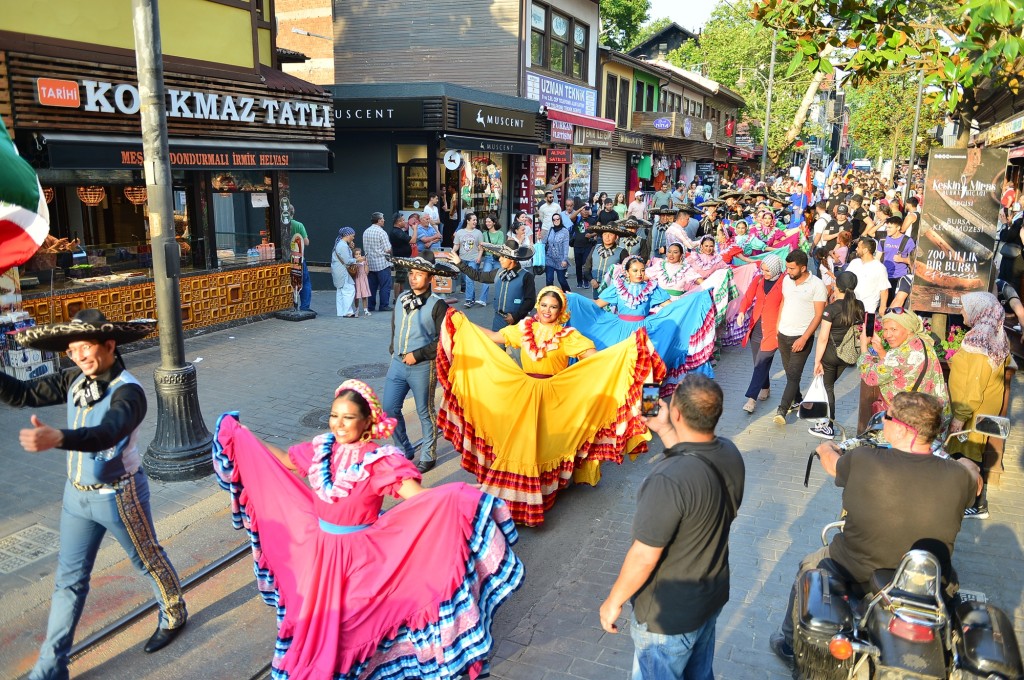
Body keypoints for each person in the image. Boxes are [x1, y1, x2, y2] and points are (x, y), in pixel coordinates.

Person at [212, 380, 524, 680]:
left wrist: (459, 497)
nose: (338, 424)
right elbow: (285, 460)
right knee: (318, 619)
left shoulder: (379, 461)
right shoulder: (322, 450)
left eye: (348, 418)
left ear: (366, 422)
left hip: (359, 558)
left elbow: (419, 498)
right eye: (334, 415)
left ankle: (356, 668)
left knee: (352, 624)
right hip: (319, 552)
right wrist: (246, 437)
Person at [2, 310, 186, 679]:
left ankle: (173, 612)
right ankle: (49, 669)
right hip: (76, 497)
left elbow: (108, 432)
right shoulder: (75, 378)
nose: (79, 356)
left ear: (109, 345)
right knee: (68, 582)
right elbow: (23, 394)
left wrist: (59, 437)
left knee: (146, 560)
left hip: (120, 495)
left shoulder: (129, 392)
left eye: (85, 347)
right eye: (72, 350)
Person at [769, 392, 980, 672]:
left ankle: (788, 644)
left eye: (887, 417)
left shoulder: (865, 459)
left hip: (855, 572)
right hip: (925, 583)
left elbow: (832, 464)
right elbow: (975, 481)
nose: (884, 420)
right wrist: (965, 463)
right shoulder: (958, 476)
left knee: (809, 565)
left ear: (902, 429)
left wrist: (825, 447)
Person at [437, 287, 664, 525]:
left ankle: (537, 495)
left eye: (553, 307)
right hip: (523, 393)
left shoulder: (569, 336)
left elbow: (596, 359)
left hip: (555, 397)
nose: (547, 310)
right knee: (519, 446)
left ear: (561, 310)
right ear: (537, 305)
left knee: (544, 445)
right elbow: (494, 337)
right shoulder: (525, 328)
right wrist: (462, 323)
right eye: (544, 305)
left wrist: (626, 354)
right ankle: (512, 501)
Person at [600, 375, 745, 680]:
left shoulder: (668, 480)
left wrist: (613, 601)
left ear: (677, 412)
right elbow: (693, 461)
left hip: (668, 620)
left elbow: (644, 556)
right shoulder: (729, 453)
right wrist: (665, 429)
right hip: (709, 597)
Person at [382, 253, 458, 473]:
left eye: (419, 274)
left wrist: (418, 355)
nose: (413, 277)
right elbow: (395, 326)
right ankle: (404, 448)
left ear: (430, 278)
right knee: (389, 408)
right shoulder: (401, 298)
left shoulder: (438, 305)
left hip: (423, 366)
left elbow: (443, 341)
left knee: (425, 411)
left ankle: (428, 454)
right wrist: (393, 349)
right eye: (412, 273)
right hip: (397, 363)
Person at [947, 292, 1012, 519]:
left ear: (978, 310)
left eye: (965, 308)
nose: (962, 312)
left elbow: (975, 385)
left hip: (972, 410)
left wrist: (960, 416)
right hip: (980, 409)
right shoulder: (994, 332)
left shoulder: (979, 341)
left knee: (969, 456)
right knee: (971, 454)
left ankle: (976, 505)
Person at [858, 308, 949, 416]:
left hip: (908, 418)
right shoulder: (922, 342)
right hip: (928, 414)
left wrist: (863, 347)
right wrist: (880, 350)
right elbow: (897, 368)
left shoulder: (902, 354)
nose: (887, 335)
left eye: (893, 329)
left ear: (908, 329)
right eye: (885, 329)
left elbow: (870, 377)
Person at [808, 271, 865, 439]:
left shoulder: (831, 309)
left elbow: (823, 338)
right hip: (847, 355)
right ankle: (823, 421)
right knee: (829, 386)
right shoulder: (859, 306)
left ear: (837, 286)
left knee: (827, 388)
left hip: (830, 355)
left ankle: (828, 426)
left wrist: (817, 361)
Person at [773, 250, 827, 425]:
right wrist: (777, 326)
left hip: (801, 337)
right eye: (787, 268)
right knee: (790, 373)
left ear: (803, 268)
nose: (788, 271)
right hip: (783, 334)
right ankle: (796, 399)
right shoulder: (786, 281)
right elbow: (784, 302)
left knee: (794, 375)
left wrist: (804, 338)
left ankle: (782, 410)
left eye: (792, 268)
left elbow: (818, 315)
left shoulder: (817, 285)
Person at [441, 238, 537, 331]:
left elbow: (530, 301)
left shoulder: (526, 276)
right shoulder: (498, 272)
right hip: (499, 320)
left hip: (518, 322)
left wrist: (516, 316)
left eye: (503, 257)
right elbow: (477, 276)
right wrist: (459, 263)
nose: (500, 259)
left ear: (511, 259)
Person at [737, 255, 786, 413]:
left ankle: (751, 399)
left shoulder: (785, 282)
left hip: (773, 329)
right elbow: (748, 297)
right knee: (758, 362)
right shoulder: (758, 279)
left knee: (761, 362)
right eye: (762, 270)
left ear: (776, 269)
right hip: (756, 327)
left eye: (767, 271)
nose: (764, 273)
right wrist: (742, 312)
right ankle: (765, 386)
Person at [596, 255, 673, 320]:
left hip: (642, 329)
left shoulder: (651, 288)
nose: (639, 274)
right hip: (622, 328)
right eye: (635, 271)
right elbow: (597, 304)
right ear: (627, 272)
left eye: (642, 270)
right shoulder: (618, 287)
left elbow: (671, 307)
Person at [843, 237, 891, 314]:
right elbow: (845, 279)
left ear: (865, 250)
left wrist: (883, 306)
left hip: (868, 308)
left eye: (858, 247)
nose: (856, 249)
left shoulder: (879, 267)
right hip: (851, 306)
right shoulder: (854, 263)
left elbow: (884, 289)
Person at [585, 222, 632, 296]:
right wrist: (591, 280)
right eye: (605, 234)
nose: (607, 237)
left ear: (616, 237)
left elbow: (627, 271)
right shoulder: (595, 248)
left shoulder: (622, 252)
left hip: (613, 289)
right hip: (596, 287)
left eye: (611, 235)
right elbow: (587, 268)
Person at [880, 214, 916, 303]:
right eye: (887, 227)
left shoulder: (908, 241)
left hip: (900, 277)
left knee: (895, 304)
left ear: (898, 228)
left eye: (890, 227)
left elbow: (914, 261)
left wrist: (902, 260)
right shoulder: (883, 239)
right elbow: (877, 258)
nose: (887, 229)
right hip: (885, 276)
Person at [362, 211, 393, 313]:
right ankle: (384, 305)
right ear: (379, 220)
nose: (384, 220)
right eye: (383, 219)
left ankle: (370, 306)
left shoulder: (366, 231)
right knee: (385, 285)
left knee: (371, 286)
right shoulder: (381, 232)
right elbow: (388, 249)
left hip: (370, 263)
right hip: (382, 262)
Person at [453, 212, 484, 308]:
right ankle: (472, 299)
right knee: (466, 280)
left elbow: (481, 247)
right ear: (468, 221)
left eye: (476, 220)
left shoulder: (478, 233)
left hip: (473, 260)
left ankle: (468, 300)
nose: (475, 221)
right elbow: (456, 245)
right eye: (473, 220)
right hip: (462, 260)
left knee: (469, 279)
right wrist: (452, 253)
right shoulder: (460, 232)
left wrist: (479, 257)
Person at [289, 204, 314, 313]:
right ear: (293, 212)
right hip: (298, 258)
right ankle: (305, 307)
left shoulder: (280, 224)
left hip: (284, 259)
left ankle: (290, 306)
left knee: (289, 282)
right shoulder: (298, 225)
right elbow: (306, 242)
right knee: (305, 282)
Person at [479, 213, 506, 305]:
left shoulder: (500, 233)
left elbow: (499, 247)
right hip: (488, 258)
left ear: (494, 222)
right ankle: (483, 300)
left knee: (499, 279)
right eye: (486, 222)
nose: (487, 223)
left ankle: (500, 299)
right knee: (485, 278)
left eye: (489, 222)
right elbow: (482, 246)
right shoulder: (484, 234)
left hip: (497, 258)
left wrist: (487, 245)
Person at [331, 227, 358, 318]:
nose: (353, 238)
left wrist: (350, 247)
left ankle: (341, 312)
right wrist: (357, 260)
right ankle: (347, 312)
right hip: (343, 271)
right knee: (349, 290)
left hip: (337, 270)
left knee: (340, 291)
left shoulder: (340, 244)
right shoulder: (343, 246)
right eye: (352, 236)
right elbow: (347, 261)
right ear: (347, 235)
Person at [572, 203, 599, 288]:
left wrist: (591, 235)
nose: (586, 212)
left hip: (587, 245)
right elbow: (571, 217)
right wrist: (580, 209)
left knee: (586, 264)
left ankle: (586, 281)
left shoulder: (592, 220)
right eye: (584, 210)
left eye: (587, 210)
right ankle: (579, 282)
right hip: (577, 245)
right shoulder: (577, 219)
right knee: (578, 265)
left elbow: (597, 231)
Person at [544, 212, 572, 292]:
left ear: (560, 219)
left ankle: (568, 295)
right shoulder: (551, 230)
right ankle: (550, 295)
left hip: (560, 259)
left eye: (557, 219)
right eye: (554, 220)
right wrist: (539, 238)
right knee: (549, 279)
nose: (556, 221)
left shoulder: (565, 231)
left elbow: (566, 246)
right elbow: (545, 241)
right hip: (549, 258)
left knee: (561, 280)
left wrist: (564, 259)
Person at [388, 212, 413, 300]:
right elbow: (412, 240)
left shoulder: (399, 231)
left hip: (403, 257)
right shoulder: (396, 232)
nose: (405, 222)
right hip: (400, 258)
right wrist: (415, 229)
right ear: (398, 222)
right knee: (398, 279)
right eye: (403, 220)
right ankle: (396, 298)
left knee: (401, 279)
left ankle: (400, 296)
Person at [351, 247, 371, 317]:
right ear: (354, 256)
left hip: (363, 279)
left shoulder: (364, 261)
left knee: (364, 295)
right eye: (356, 254)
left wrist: (366, 263)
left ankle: (365, 309)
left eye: (359, 254)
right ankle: (357, 309)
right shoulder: (353, 262)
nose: (358, 255)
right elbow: (352, 271)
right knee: (356, 296)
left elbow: (367, 272)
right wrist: (355, 263)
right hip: (356, 279)